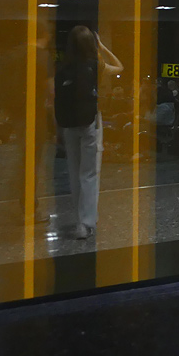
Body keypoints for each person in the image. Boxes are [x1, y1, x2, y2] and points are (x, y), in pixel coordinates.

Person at [54, 26, 123, 240]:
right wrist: (102, 47)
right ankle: (86, 222)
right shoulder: (97, 65)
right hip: (91, 123)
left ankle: (79, 221)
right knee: (90, 174)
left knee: (74, 173)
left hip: (68, 125)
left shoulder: (63, 68)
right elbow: (120, 67)